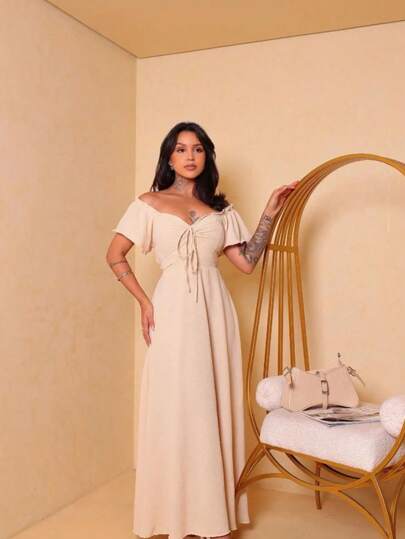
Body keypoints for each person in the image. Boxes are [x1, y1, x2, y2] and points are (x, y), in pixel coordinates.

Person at [106, 121, 298, 539]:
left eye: (197, 149)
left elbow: (247, 262)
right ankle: (169, 513)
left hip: (215, 313)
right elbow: (115, 254)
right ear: (169, 157)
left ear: (207, 156)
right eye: (180, 149)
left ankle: (212, 516)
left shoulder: (222, 211)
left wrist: (269, 212)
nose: (190, 156)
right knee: (175, 403)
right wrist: (143, 301)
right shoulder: (148, 203)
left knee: (210, 402)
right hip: (171, 311)